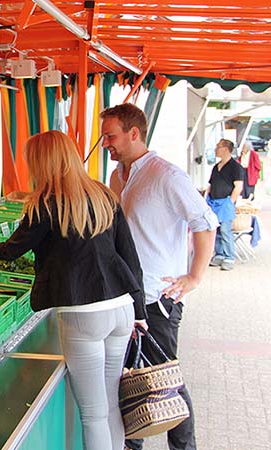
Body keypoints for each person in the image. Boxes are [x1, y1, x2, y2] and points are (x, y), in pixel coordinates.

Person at [0, 130, 147, 450]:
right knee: (111, 403)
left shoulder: (45, 203)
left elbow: (12, 250)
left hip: (83, 313)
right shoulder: (103, 194)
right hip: (121, 309)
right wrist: (140, 312)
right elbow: (129, 254)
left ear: (42, 162)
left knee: (94, 413)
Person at [100, 103, 217, 450]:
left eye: (111, 136)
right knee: (131, 379)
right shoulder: (117, 175)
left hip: (157, 297)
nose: (106, 143)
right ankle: (131, 445)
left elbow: (206, 223)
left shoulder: (166, 175)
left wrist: (193, 278)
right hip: (125, 295)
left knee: (166, 381)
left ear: (133, 133)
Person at [205, 139, 244, 271]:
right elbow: (211, 184)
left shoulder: (235, 167)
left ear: (226, 149)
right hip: (213, 201)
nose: (216, 149)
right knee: (216, 230)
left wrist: (230, 202)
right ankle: (219, 254)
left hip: (225, 202)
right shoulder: (216, 167)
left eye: (218, 147)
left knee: (225, 231)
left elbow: (238, 186)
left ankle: (229, 256)